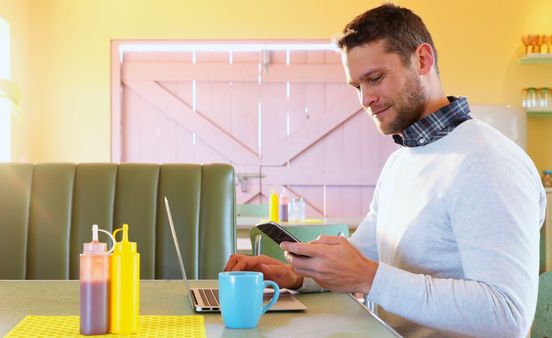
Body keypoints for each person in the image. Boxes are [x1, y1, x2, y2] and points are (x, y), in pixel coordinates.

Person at [224, 4, 546, 337]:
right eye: (356, 86)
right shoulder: (402, 161)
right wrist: (299, 277)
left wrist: (368, 277)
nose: (365, 99)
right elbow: (362, 256)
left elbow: (508, 316)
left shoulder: (487, 162)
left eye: (375, 78)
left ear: (422, 60)